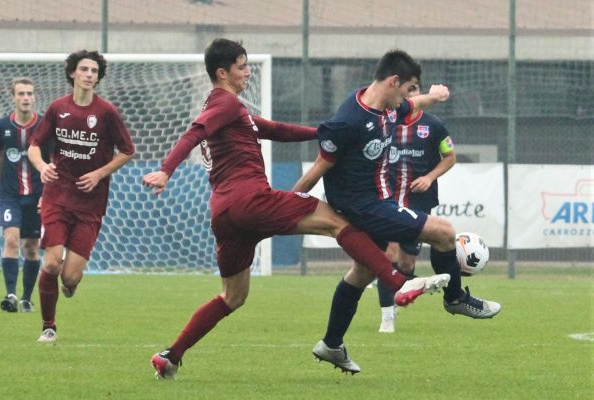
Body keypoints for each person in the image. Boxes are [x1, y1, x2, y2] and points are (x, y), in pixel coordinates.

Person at [142, 38, 449, 379]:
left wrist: (328, 132)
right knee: (336, 221)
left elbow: (276, 130)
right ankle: (395, 281)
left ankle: (171, 355)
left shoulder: (233, 111)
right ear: (222, 72)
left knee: (233, 296)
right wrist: (166, 170)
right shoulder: (224, 106)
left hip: (225, 214)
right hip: (251, 200)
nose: (247, 72)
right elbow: (194, 132)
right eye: (242, 67)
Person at [293, 49, 501, 371]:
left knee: (361, 273)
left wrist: (432, 96)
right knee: (444, 233)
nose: (408, 96)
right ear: (393, 81)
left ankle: (332, 344)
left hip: (377, 202)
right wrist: (285, 202)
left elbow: (411, 106)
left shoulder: (388, 106)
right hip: (366, 206)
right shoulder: (349, 121)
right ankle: (455, 298)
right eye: (408, 88)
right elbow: (319, 168)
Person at [27, 50, 135, 343]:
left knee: (70, 276)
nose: (89, 74)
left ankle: (71, 284)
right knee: (50, 263)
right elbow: (34, 146)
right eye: (84, 69)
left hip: (90, 202)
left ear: (98, 77)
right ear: (73, 73)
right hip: (57, 197)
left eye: (94, 71)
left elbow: (127, 151)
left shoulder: (107, 113)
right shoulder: (57, 108)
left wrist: (100, 173)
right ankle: (48, 326)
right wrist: (42, 167)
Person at [376, 84, 457, 333]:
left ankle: (401, 294)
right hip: (387, 198)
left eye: (415, 89)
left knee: (407, 264)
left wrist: (430, 177)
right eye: (407, 90)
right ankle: (387, 316)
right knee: (388, 256)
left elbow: (450, 156)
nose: (411, 95)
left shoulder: (433, 126)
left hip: (418, 201)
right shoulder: (387, 121)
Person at [0, 77, 43, 313]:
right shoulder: (1, 126)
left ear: (34, 97)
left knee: (32, 247)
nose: (25, 98)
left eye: (29, 94)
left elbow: (51, 161)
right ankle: (11, 295)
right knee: (11, 239)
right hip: (10, 195)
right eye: (21, 94)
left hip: (36, 195)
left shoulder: (44, 126)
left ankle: (26, 298)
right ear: (13, 98)